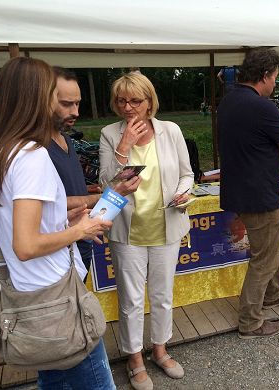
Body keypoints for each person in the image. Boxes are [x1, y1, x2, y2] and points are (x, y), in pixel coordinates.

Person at [0, 57, 115, 389]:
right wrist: (79, 230)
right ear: (36, 96)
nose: (62, 104)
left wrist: (61, 218)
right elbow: (26, 245)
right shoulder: (31, 156)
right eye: (54, 93)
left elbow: (2, 226)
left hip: (28, 295)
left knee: (55, 378)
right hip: (57, 299)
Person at [99, 72, 194, 390]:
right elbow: (106, 185)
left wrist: (183, 193)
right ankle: (134, 358)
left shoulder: (170, 131)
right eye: (121, 100)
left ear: (150, 101)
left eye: (135, 100)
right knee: (131, 300)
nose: (128, 107)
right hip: (128, 231)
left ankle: (160, 349)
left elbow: (187, 174)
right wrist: (124, 145)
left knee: (163, 295)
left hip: (165, 224)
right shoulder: (110, 133)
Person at [218, 48, 279, 339]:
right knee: (264, 257)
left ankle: (273, 293)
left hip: (241, 192)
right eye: (275, 78)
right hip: (260, 193)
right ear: (265, 75)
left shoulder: (229, 101)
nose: (276, 83)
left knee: (273, 240)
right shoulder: (262, 106)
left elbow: (263, 139)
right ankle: (250, 321)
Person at [48, 67, 140, 272]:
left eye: (78, 103)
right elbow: (46, 204)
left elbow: (71, 191)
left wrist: (100, 194)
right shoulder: (36, 148)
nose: (76, 112)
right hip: (57, 250)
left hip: (82, 241)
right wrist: (112, 194)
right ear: (43, 100)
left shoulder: (66, 140)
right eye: (66, 104)